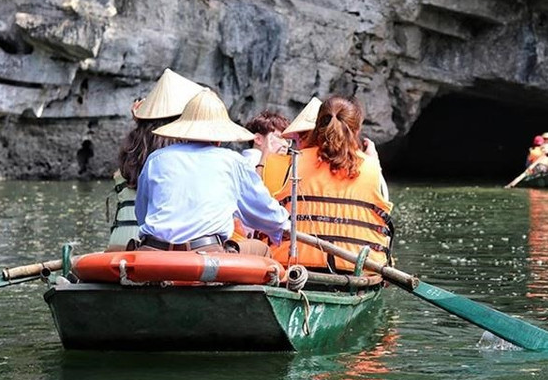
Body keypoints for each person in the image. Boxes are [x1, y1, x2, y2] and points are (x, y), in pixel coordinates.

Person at [134, 90, 290, 254]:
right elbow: (261, 208)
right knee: (262, 250)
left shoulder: (156, 158)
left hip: (153, 250)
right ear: (220, 137)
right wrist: (284, 225)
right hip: (205, 251)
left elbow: (142, 214)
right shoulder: (232, 161)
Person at [271, 96, 393, 272]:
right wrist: (375, 163)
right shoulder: (372, 167)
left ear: (317, 126)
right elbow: (384, 218)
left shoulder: (295, 162)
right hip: (356, 268)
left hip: (294, 266)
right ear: (357, 130)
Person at [105, 69, 205, 252]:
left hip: (118, 246)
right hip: (154, 248)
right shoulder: (182, 160)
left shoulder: (129, 157)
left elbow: (148, 140)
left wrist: (139, 121)